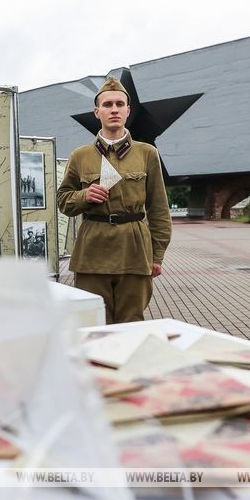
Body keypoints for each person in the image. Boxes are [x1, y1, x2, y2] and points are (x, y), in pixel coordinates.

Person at [57, 76, 172, 324]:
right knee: (93, 323)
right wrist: (84, 196)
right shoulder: (80, 156)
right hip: (92, 254)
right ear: (97, 111)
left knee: (131, 323)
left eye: (120, 104)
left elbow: (159, 209)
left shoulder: (147, 153)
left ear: (128, 111)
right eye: (108, 105)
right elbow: (63, 201)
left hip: (134, 252)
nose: (114, 110)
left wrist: (157, 255)